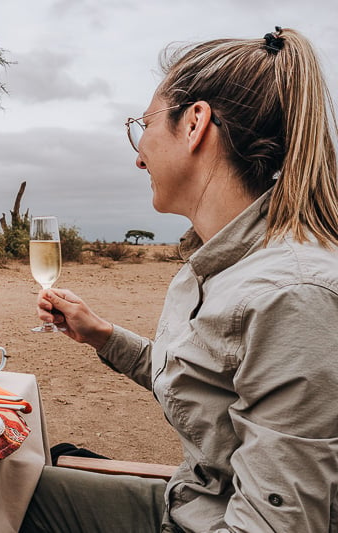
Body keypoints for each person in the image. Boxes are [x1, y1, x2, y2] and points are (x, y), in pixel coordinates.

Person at [21, 27, 338, 533]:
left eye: (143, 125)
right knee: (7, 492)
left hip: (208, 521)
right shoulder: (225, 263)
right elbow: (205, 387)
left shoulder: (292, 296)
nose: (138, 154)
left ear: (194, 124)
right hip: (188, 503)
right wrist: (102, 335)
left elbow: (276, 524)